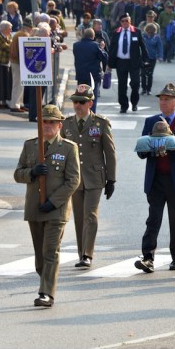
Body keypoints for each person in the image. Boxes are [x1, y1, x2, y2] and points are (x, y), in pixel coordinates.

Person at [13, 105, 80, 307]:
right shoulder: (30, 146)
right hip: (34, 208)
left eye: (52, 122)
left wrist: (54, 202)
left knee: (51, 251)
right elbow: (18, 174)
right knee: (40, 256)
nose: (48, 126)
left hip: (56, 210)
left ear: (60, 125)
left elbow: (73, 180)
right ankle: (45, 280)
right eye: (44, 122)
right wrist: (32, 172)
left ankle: (46, 294)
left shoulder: (69, 148)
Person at [135, 83, 175, 273]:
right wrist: (149, 149)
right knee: (153, 219)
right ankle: (147, 257)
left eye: (167, 99)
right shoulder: (151, 122)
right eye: (161, 99)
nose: (163, 103)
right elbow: (141, 151)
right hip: (156, 178)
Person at [61, 84, 117, 268]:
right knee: (78, 217)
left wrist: (111, 179)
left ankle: (87, 254)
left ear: (90, 103)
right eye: (76, 102)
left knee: (90, 215)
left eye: (82, 102)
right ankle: (81, 253)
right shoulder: (67, 124)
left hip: (94, 177)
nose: (78, 105)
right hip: (74, 178)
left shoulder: (100, 123)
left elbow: (110, 152)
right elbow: (60, 151)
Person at [108, 14, 150, 114]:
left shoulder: (136, 32)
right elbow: (112, 48)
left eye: (127, 20)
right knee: (122, 85)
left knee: (135, 83)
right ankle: (123, 105)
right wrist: (109, 63)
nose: (125, 23)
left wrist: (146, 60)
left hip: (134, 62)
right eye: (123, 21)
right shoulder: (116, 32)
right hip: (121, 62)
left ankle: (134, 103)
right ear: (120, 22)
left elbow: (143, 47)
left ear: (130, 21)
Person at [73, 28, 107, 114]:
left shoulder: (76, 45)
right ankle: (91, 116)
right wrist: (102, 48)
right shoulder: (95, 45)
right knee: (92, 97)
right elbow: (104, 57)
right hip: (93, 76)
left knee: (81, 97)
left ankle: (81, 114)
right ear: (93, 36)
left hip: (81, 75)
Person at [7, 16, 33, 113]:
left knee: (20, 84)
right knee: (18, 84)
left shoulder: (17, 34)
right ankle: (15, 105)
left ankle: (19, 103)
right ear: (29, 28)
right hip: (19, 62)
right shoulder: (24, 35)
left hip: (15, 61)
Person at [141, 23, 163, 96]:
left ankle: (149, 89)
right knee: (143, 73)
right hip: (143, 58)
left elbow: (160, 47)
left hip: (152, 58)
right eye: (148, 31)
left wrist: (160, 56)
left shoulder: (157, 37)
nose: (150, 33)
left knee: (150, 74)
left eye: (151, 31)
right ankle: (143, 89)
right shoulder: (142, 36)